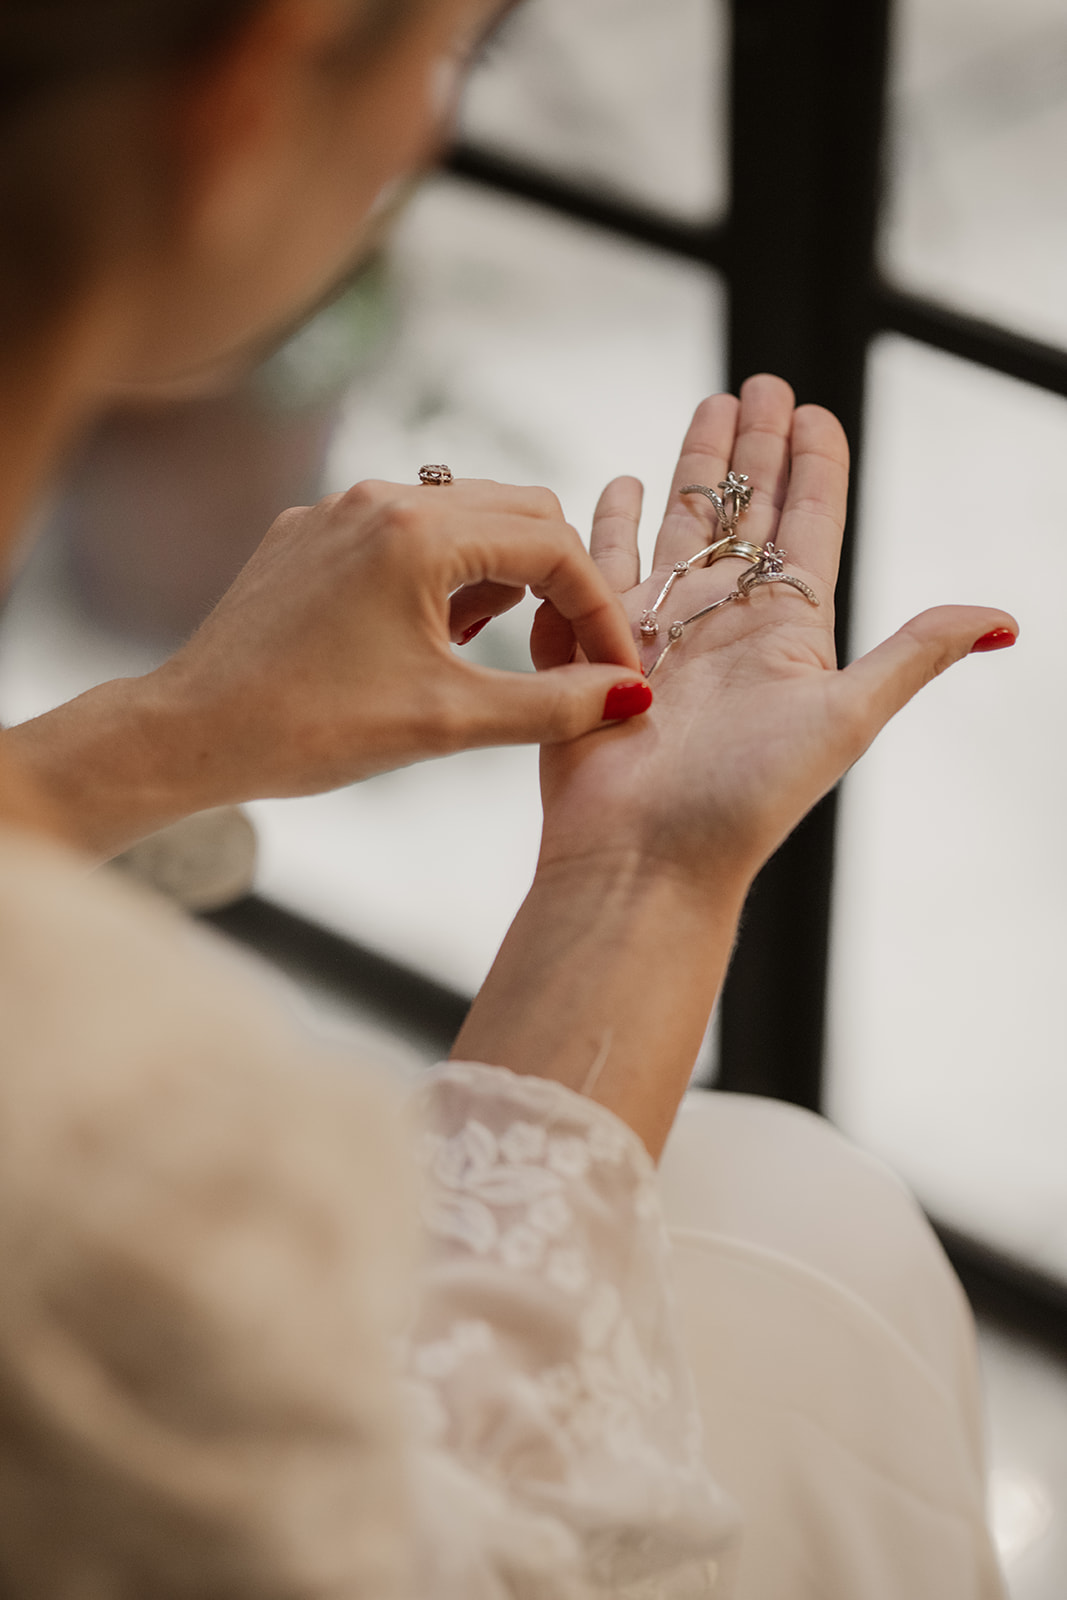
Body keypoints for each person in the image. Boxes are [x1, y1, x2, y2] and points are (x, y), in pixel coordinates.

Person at [0, 1, 1018, 1595]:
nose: (435, 124)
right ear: (247, 91)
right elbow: (436, 1549)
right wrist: (644, 890)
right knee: (815, 1236)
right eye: (452, 51)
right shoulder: (102, 1140)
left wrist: (159, 732)